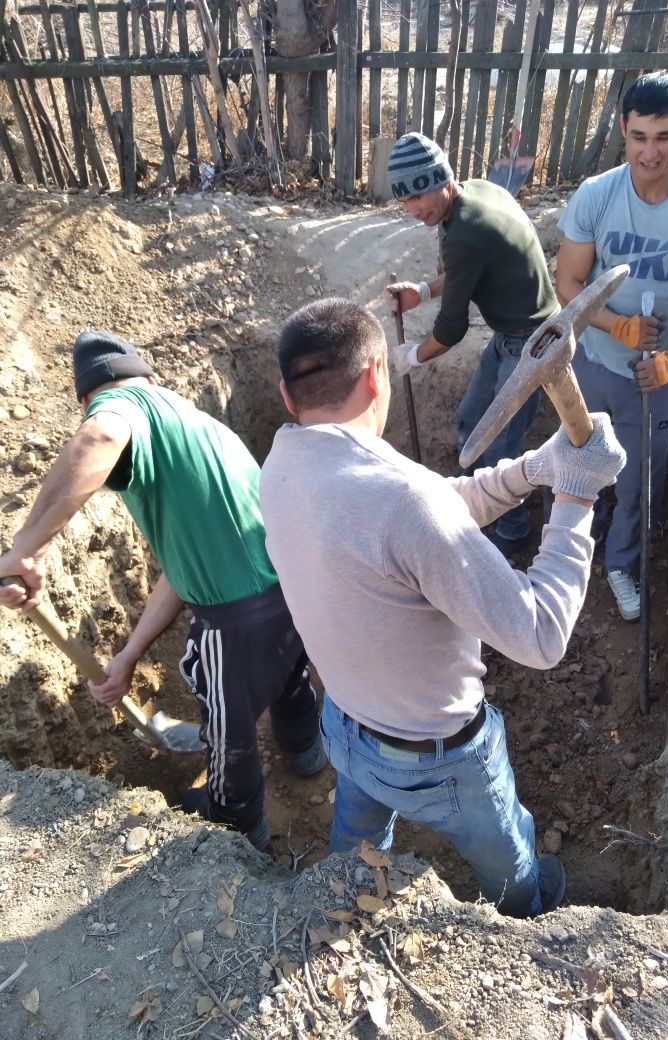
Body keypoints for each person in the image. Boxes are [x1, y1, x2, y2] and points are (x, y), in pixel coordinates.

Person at [259, 298, 626, 917]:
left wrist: (536, 467)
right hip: (442, 761)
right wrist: (576, 493)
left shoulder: (284, 464)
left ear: (287, 396)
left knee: (355, 852)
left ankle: (348, 899)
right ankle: (525, 914)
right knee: (509, 868)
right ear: (379, 376)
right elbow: (541, 637)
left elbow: (428, 516)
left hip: (347, 727)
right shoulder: (403, 500)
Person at [0, 331, 325, 849]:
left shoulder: (119, 408)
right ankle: (307, 751)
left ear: (89, 397)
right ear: (152, 376)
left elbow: (102, 437)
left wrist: (26, 547)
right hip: (291, 594)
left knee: (228, 730)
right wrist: (129, 655)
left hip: (234, 623)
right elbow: (181, 570)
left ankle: (239, 824)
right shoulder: (200, 428)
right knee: (290, 683)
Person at [556, 71, 668, 621]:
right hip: (591, 364)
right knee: (577, 459)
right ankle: (569, 547)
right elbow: (568, 285)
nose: (650, 152)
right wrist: (615, 326)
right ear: (623, 130)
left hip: (655, 377)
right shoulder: (597, 196)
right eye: (639, 137)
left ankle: (622, 561)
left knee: (640, 480)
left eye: (664, 137)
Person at [384, 131, 559, 556]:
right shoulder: (476, 194)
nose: (414, 210)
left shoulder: (465, 231)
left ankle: (511, 534)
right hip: (512, 335)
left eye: (419, 196)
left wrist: (412, 355)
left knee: (497, 449)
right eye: (405, 202)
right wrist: (423, 291)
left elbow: (451, 330)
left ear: (441, 179)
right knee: (470, 424)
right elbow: (468, 273)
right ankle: (488, 510)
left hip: (533, 343)